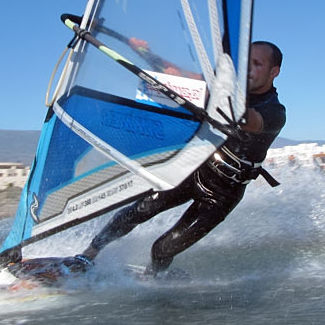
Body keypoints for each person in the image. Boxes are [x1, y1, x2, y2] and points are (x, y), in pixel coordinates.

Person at [69, 40, 286, 277]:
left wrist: (221, 92)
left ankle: (155, 277)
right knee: (139, 210)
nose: (247, 70)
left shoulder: (275, 111)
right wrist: (144, 51)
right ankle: (87, 255)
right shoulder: (227, 87)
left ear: (273, 72)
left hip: (222, 195)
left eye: (256, 64)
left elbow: (249, 120)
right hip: (194, 170)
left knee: (162, 248)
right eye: (245, 63)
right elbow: (179, 75)